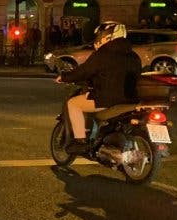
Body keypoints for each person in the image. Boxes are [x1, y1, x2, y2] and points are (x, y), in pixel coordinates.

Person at [56, 21, 142, 155]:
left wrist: (64, 77)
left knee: (73, 104)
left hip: (107, 99)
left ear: (107, 37)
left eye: (99, 36)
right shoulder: (134, 55)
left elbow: (84, 71)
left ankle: (80, 141)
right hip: (131, 99)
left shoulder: (104, 53)